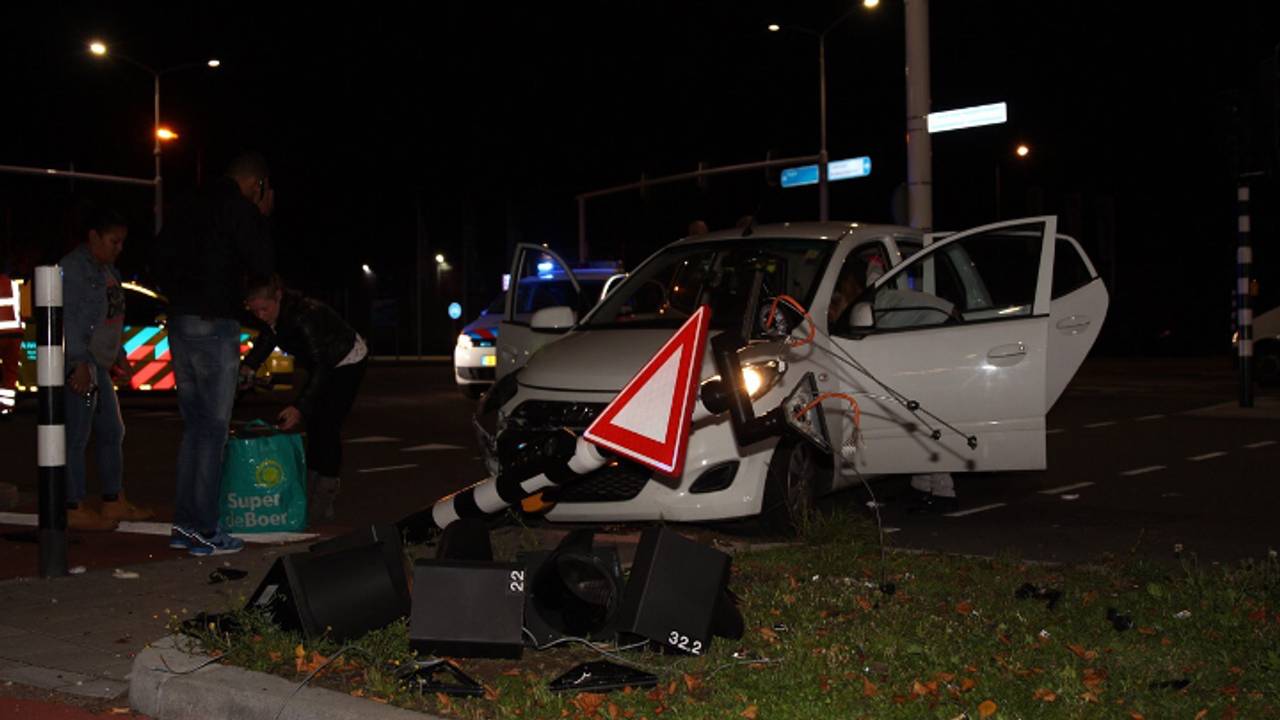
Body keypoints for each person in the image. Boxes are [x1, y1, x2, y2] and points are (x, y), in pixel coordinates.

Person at [155, 152, 275, 555]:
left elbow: (158, 258)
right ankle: (203, 529)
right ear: (255, 184)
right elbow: (262, 262)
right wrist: (259, 215)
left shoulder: (188, 203)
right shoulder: (238, 208)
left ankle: (185, 525)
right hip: (214, 323)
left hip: (180, 321)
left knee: (194, 428)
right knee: (212, 431)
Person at [241, 274, 367, 525]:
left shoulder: (304, 316)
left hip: (346, 359)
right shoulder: (275, 315)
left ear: (278, 297)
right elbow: (268, 337)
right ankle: (309, 489)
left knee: (327, 425)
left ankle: (324, 498)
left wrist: (299, 406)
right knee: (315, 425)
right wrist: (249, 367)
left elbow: (323, 366)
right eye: (254, 311)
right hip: (322, 362)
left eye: (264, 309)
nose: (260, 315)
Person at [59, 208, 153, 530]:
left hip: (97, 364)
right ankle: (72, 504)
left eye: (122, 242)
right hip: (85, 365)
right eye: (114, 241)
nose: (119, 248)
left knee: (111, 431)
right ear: (94, 237)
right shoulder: (73, 270)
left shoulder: (105, 270)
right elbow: (69, 320)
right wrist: (78, 363)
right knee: (78, 434)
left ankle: (113, 501)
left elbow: (106, 319)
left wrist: (117, 354)